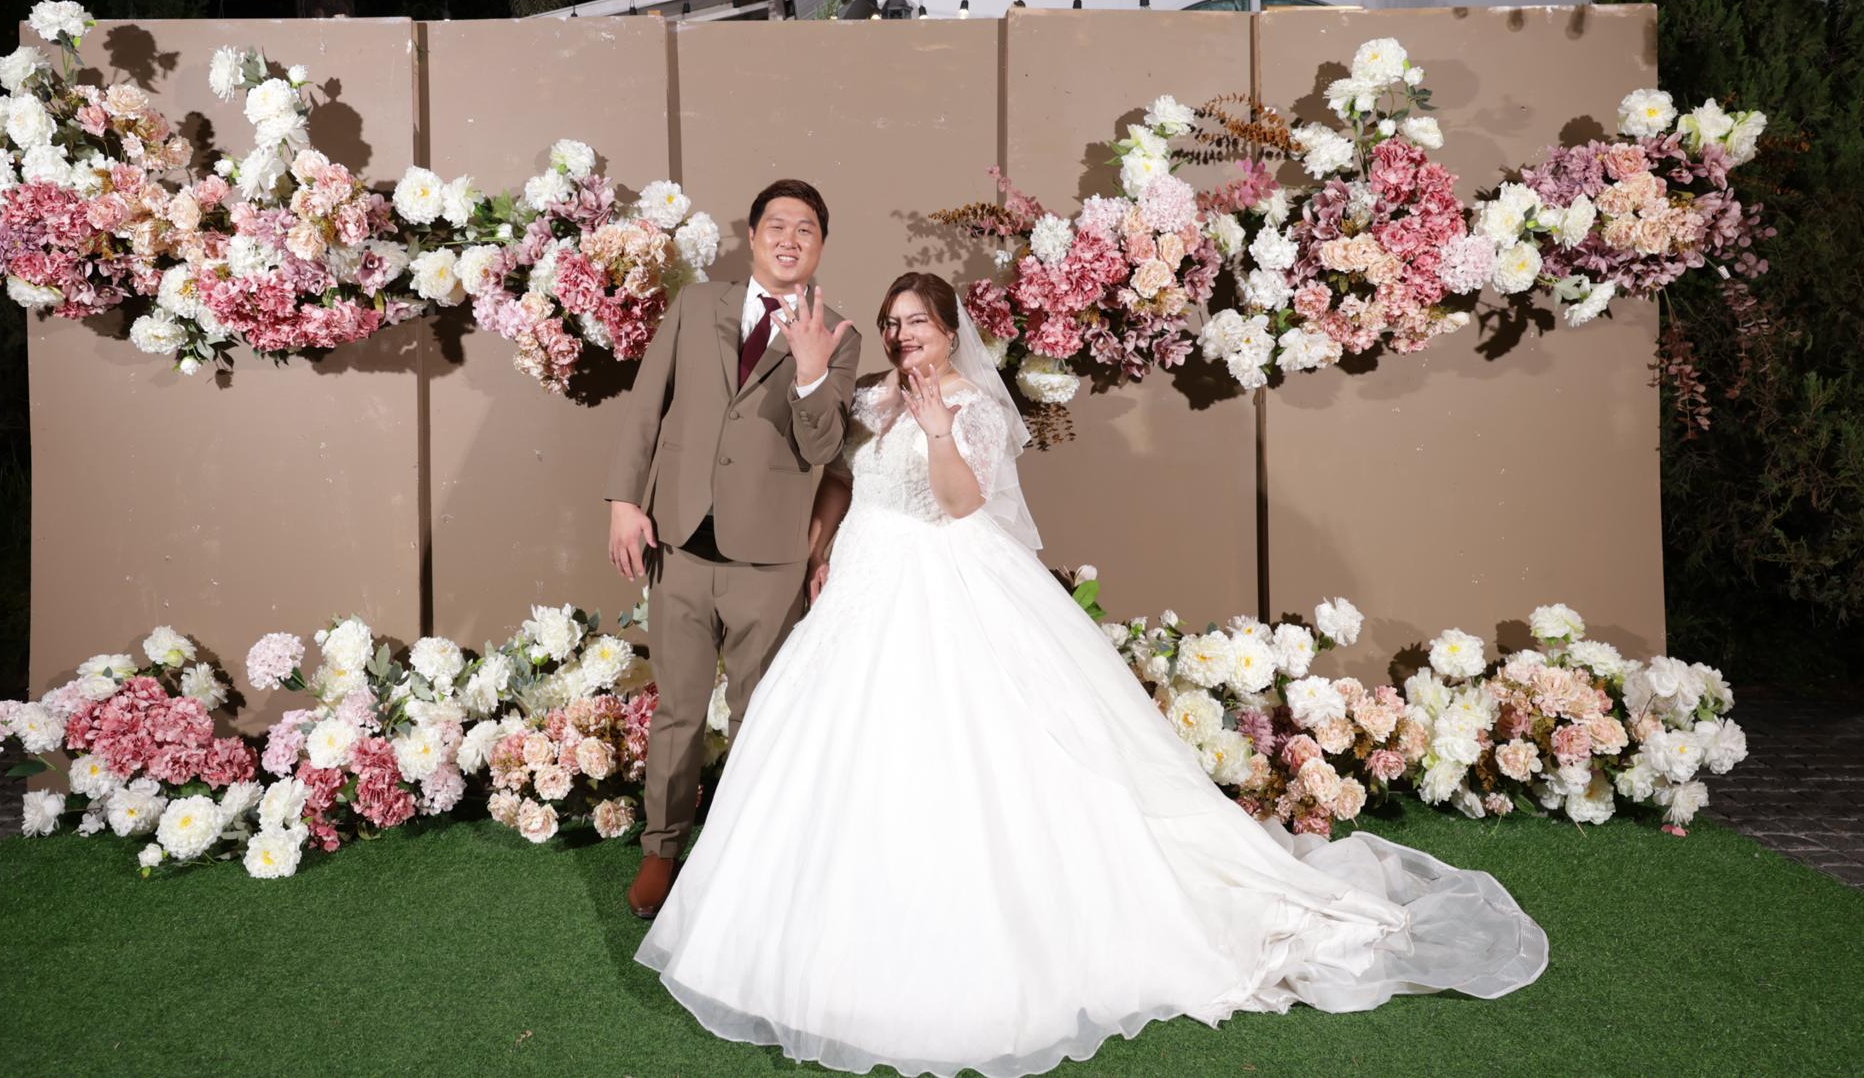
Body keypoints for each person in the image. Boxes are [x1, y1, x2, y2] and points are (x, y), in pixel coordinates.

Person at [634, 270, 1549, 1078]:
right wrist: (823, 543)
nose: (905, 334)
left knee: (960, 750)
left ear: (949, 332)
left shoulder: (971, 406)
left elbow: (961, 505)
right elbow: (841, 476)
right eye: (894, 321)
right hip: (862, 581)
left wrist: (941, 431)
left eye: (919, 322)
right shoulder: (873, 398)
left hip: (941, 581)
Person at [605, 178, 863, 920]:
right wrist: (625, 501)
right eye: (776, 225)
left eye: (805, 229)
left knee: (759, 715)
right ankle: (661, 852)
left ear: (820, 246)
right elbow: (647, 405)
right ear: (752, 237)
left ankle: (740, 858)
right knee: (678, 712)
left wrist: (811, 369)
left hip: (770, 557)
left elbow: (825, 447)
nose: (789, 238)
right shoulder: (694, 307)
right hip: (679, 541)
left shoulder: (838, 334)